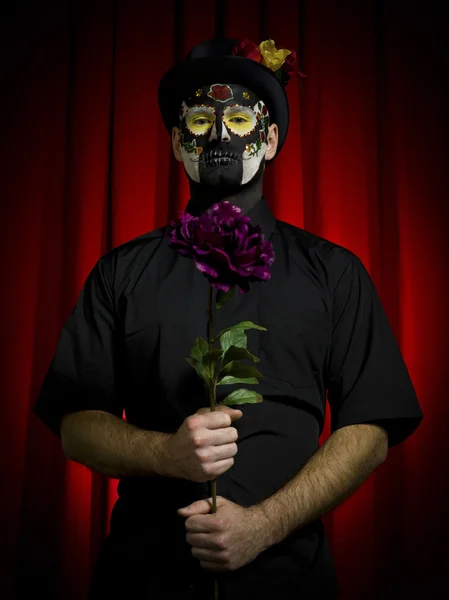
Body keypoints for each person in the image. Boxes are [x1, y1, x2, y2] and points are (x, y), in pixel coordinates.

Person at [33, 38, 424, 599]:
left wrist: (264, 526)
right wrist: (166, 453)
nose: (218, 135)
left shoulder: (335, 273)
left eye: (238, 118)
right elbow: (76, 426)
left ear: (268, 141)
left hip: (290, 582)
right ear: (176, 142)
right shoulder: (120, 273)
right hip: (143, 580)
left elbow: (371, 428)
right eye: (199, 120)